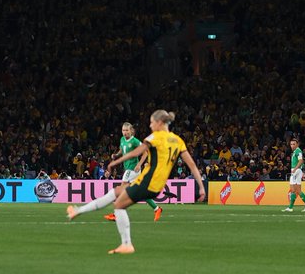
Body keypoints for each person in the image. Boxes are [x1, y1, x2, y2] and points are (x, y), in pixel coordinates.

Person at [67, 109, 206, 255]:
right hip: (153, 184)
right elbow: (192, 165)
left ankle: (126, 244)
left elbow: (135, 153)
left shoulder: (155, 137)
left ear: (159, 123)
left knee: (119, 204)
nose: (150, 126)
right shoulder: (178, 140)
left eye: (152, 122)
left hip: (148, 181)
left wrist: (115, 163)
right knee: (114, 193)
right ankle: (77, 211)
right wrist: (201, 187)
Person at [106, 122, 163, 222]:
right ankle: (157, 209)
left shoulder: (135, 141)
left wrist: (139, 164)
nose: (125, 132)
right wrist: (116, 155)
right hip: (127, 168)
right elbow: (121, 150)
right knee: (140, 192)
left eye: (127, 130)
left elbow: (145, 152)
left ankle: (117, 214)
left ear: (131, 131)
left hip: (132, 169)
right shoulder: (122, 139)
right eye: (123, 130)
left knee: (121, 189)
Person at [283, 137, 305, 212]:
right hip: (296, 171)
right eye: (291, 144)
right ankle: (291, 207)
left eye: (293, 144)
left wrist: (295, 169)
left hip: (296, 171)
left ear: (297, 144)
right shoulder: (296, 151)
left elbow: (301, 161)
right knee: (295, 190)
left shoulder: (298, 151)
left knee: (295, 190)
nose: (292, 145)